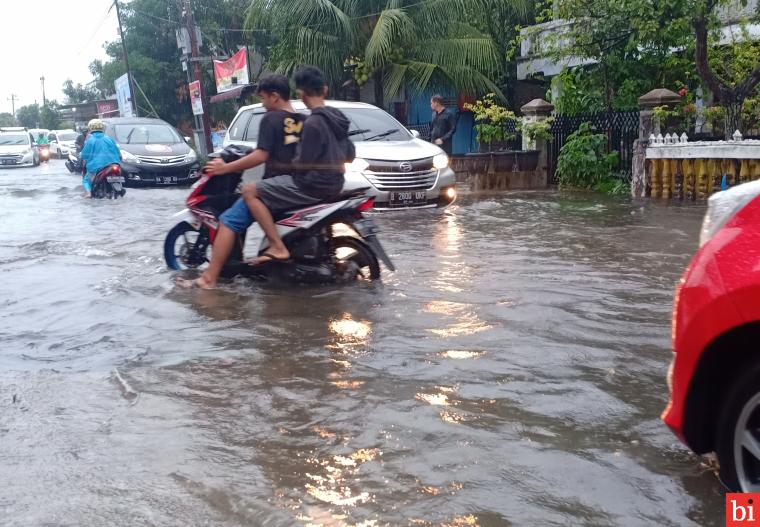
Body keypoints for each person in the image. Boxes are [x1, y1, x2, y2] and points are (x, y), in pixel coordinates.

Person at [183, 74, 306, 289]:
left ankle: (208, 279)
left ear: (275, 96)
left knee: (228, 220)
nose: (263, 104)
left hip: (273, 189)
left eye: (264, 99)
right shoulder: (298, 120)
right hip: (293, 186)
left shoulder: (271, 119)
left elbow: (261, 156)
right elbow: (285, 150)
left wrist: (225, 168)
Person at [79, 119, 120, 198]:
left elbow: (84, 155)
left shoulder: (91, 140)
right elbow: (118, 152)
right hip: (114, 164)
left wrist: (81, 155)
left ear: (90, 128)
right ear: (102, 127)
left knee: (86, 180)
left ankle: (88, 193)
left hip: (97, 167)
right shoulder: (109, 139)